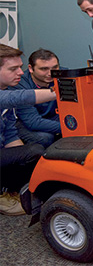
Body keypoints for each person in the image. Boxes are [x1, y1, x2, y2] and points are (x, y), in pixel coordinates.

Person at [0, 44, 57, 215]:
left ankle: (12, 188)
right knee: (36, 148)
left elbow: (10, 135)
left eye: (20, 67)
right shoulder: (9, 95)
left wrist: (23, 163)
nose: (20, 72)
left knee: (33, 154)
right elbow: (21, 97)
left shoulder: (6, 93)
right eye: (13, 69)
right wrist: (60, 91)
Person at [7, 49, 61, 147]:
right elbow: (33, 122)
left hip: (52, 116)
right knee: (45, 138)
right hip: (26, 121)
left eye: (55, 67)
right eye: (44, 69)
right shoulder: (18, 84)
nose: (51, 73)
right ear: (31, 68)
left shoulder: (64, 75)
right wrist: (70, 127)